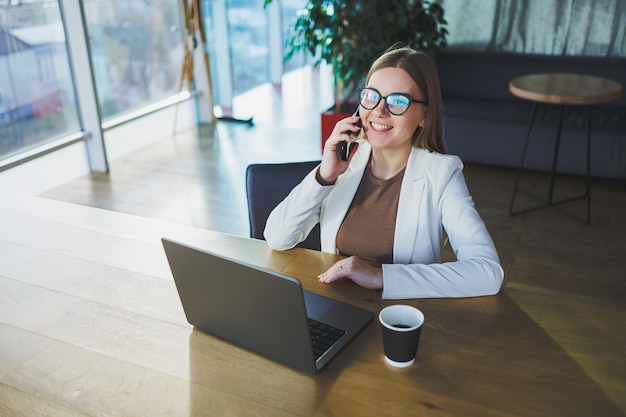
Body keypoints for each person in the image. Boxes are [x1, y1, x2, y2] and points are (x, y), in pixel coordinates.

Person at [264, 44, 504, 299]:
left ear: (424, 115)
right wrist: (325, 176)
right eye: (371, 96)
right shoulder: (346, 162)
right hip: (336, 305)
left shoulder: (441, 174)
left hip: (401, 318)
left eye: (398, 101)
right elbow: (277, 238)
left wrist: (381, 277)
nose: (379, 110)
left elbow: (488, 272)